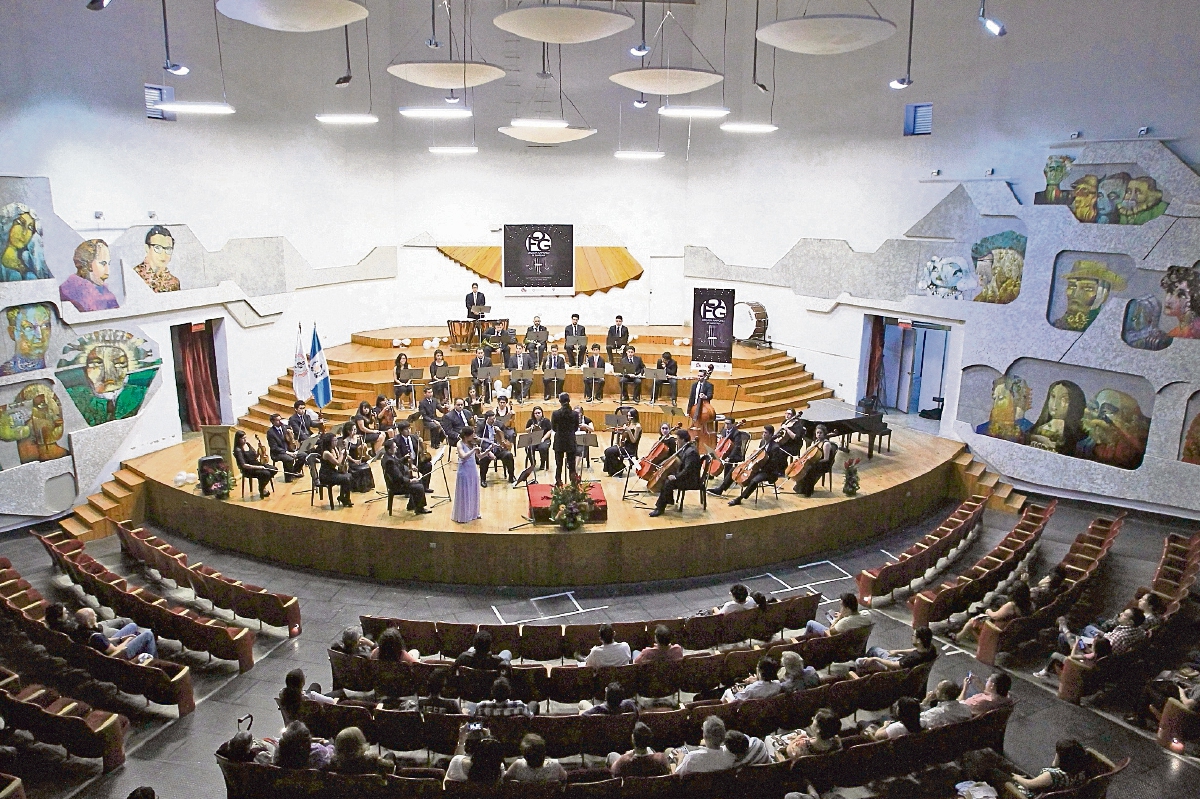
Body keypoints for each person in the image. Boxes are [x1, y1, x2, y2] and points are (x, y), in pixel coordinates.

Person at [949, 581, 1034, 644]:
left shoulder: (1011, 606)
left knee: (972, 621)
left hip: (997, 631)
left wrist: (988, 611)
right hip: (1010, 632)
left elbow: (995, 616)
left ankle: (957, 637)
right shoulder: (1030, 606)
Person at [1007, 739, 1091, 798]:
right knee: (1011, 767)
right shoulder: (1080, 773)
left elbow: (1028, 785)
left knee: (1004, 776)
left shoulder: (1051, 776)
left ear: (1063, 759)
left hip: (1033, 794)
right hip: (1057, 793)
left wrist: (1017, 778)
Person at [728, 425, 789, 506]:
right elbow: (759, 455)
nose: (763, 434)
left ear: (771, 435)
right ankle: (721, 489)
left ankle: (740, 498)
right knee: (734, 469)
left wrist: (759, 468)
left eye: (765, 433)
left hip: (768, 472)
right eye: (763, 432)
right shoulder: (763, 442)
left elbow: (774, 465)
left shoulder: (775, 448)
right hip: (758, 467)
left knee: (754, 480)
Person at [649, 428, 703, 517]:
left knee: (668, 482)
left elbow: (688, 470)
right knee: (667, 477)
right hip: (685, 477)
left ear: (682, 439)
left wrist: (676, 477)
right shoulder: (684, 448)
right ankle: (669, 500)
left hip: (691, 480)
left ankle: (660, 508)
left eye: (677, 439)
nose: (676, 441)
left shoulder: (691, 452)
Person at [74, 606, 157, 662]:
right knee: (148, 634)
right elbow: (116, 651)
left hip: (107, 648)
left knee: (132, 626)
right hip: (118, 656)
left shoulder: (79, 630)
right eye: (93, 615)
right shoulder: (97, 637)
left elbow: (105, 642)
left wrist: (120, 639)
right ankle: (151, 662)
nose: (96, 615)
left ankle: (144, 651)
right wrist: (128, 640)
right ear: (88, 621)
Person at [59, 239, 120, 312]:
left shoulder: (106, 294)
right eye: (103, 263)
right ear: (89, 264)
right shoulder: (70, 294)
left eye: (108, 264)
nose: (107, 271)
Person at [848, 626, 937, 675]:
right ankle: (866, 666)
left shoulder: (912, 659)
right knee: (874, 649)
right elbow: (915, 650)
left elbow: (893, 665)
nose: (912, 637)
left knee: (859, 661)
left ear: (919, 641)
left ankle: (858, 672)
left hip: (893, 669)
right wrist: (898, 651)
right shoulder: (930, 648)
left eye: (913, 636)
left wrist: (875, 659)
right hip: (900, 661)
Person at [381, 439, 430, 514]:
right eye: (395, 447)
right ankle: (419, 509)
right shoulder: (389, 462)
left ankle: (412, 505)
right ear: (390, 450)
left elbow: (397, 462)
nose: (397, 448)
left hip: (397, 482)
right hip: (397, 486)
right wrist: (410, 480)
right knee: (419, 487)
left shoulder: (389, 456)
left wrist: (404, 458)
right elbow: (398, 477)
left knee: (419, 481)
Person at [707, 418, 750, 496]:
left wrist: (729, 457)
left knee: (727, 463)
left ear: (733, 424)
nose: (726, 425)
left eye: (728, 424)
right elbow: (721, 441)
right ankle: (710, 475)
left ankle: (725, 482)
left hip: (734, 454)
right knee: (711, 456)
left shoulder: (736, 433)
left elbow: (737, 447)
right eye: (725, 423)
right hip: (723, 451)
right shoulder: (724, 430)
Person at [801, 592, 873, 638]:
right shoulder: (867, 614)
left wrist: (839, 618)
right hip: (855, 644)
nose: (840, 608)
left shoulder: (845, 622)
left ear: (848, 609)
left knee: (810, 623)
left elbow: (830, 631)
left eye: (842, 606)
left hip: (839, 646)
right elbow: (856, 619)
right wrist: (845, 615)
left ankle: (802, 642)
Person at [133, 225, 180, 292]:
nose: (163, 254)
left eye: (168, 249)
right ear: (147, 248)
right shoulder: (134, 276)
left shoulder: (173, 282)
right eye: (158, 248)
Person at [328, 726, 392, 774]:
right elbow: (390, 767)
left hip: (344, 788)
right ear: (360, 745)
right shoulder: (373, 761)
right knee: (390, 755)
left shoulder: (334, 763)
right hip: (369, 788)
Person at [794, 424, 836, 497]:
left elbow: (826, 459)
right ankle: (801, 488)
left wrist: (814, 462)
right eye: (817, 433)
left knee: (809, 470)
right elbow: (808, 451)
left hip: (824, 464)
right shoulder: (816, 441)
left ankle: (808, 491)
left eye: (821, 433)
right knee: (804, 468)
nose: (819, 434)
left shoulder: (826, 444)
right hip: (816, 461)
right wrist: (802, 458)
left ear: (824, 433)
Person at [476, 411, 515, 485]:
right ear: (487, 419)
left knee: (509, 455)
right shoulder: (481, 426)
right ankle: (483, 479)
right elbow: (479, 441)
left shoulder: (499, 424)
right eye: (492, 419)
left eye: (494, 419)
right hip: (487, 449)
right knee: (484, 458)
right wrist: (488, 451)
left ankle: (511, 476)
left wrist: (500, 432)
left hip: (498, 449)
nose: (494, 421)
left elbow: (506, 436)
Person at [452, 428, 481, 523]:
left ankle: (473, 513)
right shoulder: (459, 444)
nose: (474, 436)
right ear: (466, 436)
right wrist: (473, 450)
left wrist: (489, 449)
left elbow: (480, 456)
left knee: (473, 491)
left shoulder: (472, 443)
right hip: (464, 471)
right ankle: (464, 515)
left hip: (473, 470)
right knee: (465, 492)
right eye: (472, 435)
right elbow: (463, 456)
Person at [395, 420, 432, 492]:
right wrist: (410, 465)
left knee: (428, 465)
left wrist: (421, 444)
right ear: (401, 431)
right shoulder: (397, 441)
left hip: (416, 460)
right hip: (405, 463)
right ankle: (408, 489)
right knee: (406, 469)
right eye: (406, 429)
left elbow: (420, 450)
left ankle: (425, 487)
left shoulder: (414, 437)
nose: (409, 430)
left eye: (409, 428)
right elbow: (398, 457)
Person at [550, 392, 579, 484]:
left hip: (559, 441)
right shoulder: (575, 414)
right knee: (572, 465)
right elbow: (576, 428)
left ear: (560, 401)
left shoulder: (555, 414)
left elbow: (554, 428)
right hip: (570, 441)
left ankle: (558, 481)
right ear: (569, 400)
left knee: (559, 464)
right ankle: (573, 483)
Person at [317, 432, 353, 507]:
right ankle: (345, 499)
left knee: (349, 476)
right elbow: (338, 463)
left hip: (332, 472)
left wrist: (344, 454)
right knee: (346, 478)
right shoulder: (326, 453)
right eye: (334, 440)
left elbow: (340, 460)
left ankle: (343, 497)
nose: (336, 442)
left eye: (336, 440)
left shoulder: (334, 449)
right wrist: (342, 454)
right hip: (326, 475)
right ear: (329, 442)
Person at [603, 407, 641, 476]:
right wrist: (619, 431)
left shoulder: (637, 426)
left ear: (634, 416)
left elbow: (634, 440)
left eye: (629, 416)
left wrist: (628, 430)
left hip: (630, 448)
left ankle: (620, 467)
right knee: (607, 451)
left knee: (609, 452)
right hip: (625, 445)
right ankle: (614, 469)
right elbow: (626, 435)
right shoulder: (630, 423)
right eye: (628, 416)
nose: (628, 417)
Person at [266, 413, 304, 479]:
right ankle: (288, 477)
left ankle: (294, 471)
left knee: (303, 455)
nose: (280, 421)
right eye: (277, 420)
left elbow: (292, 435)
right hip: (278, 453)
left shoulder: (285, 427)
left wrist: (291, 434)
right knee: (289, 459)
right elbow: (274, 447)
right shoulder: (270, 433)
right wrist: (287, 452)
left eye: (280, 419)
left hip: (289, 449)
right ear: (272, 422)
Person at [524, 405, 552, 471]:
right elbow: (526, 430)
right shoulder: (531, 421)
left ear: (542, 413)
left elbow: (550, 431)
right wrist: (530, 428)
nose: (537, 414)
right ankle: (533, 462)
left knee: (542, 448)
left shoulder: (546, 421)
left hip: (544, 439)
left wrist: (543, 439)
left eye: (539, 413)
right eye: (535, 413)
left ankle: (543, 463)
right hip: (534, 439)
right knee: (528, 447)